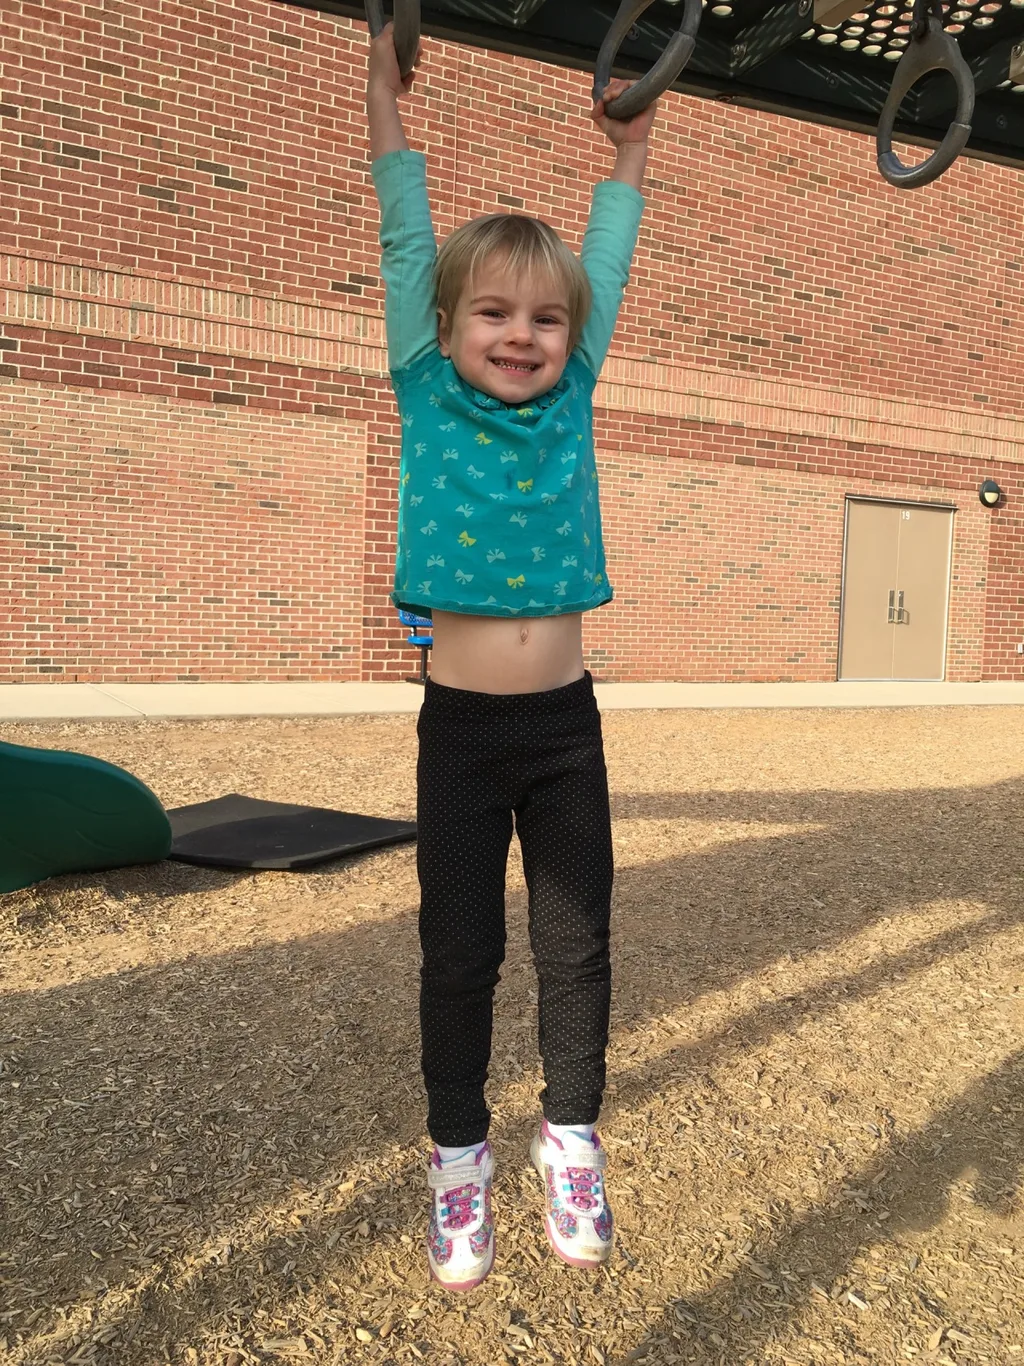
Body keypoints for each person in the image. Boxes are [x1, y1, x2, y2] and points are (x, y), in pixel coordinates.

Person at [366, 22, 658, 1291]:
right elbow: (399, 228)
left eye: (545, 318)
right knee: (461, 952)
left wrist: (631, 151)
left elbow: (607, 258)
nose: (525, 333)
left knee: (578, 942)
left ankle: (572, 1139)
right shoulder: (424, 385)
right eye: (494, 310)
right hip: (464, 737)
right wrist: (382, 100)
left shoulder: (576, 387)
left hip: (567, 725)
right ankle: (456, 1162)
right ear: (445, 322)